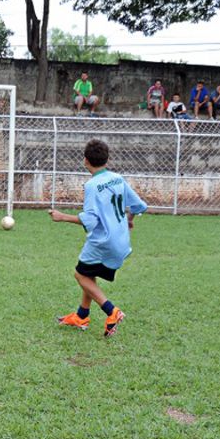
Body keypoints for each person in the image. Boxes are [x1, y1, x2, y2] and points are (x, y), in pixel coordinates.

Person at [50, 139, 148, 337]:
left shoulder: (92, 186)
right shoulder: (118, 178)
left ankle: (111, 311)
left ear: (85, 161)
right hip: (121, 240)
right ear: (107, 159)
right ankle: (81, 316)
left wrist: (62, 217)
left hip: (103, 241)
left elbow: (91, 220)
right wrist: (129, 219)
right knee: (89, 273)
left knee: (80, 275)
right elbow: (139, 205)